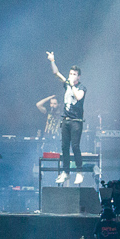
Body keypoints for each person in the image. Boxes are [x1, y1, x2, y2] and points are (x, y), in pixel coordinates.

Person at [46, 51, 86, 184]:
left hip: (76, 122)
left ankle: (79, 172)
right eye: (70, 74)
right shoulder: (67, 84)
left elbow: (79, 97)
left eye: (74, 74)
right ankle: (66, 172)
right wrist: (52, 61)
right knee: (64, 147)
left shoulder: (81, 87)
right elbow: (56, 73)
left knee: (75, 146)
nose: (71, 76)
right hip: (66, 120)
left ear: (78, 77)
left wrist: (71, 84)